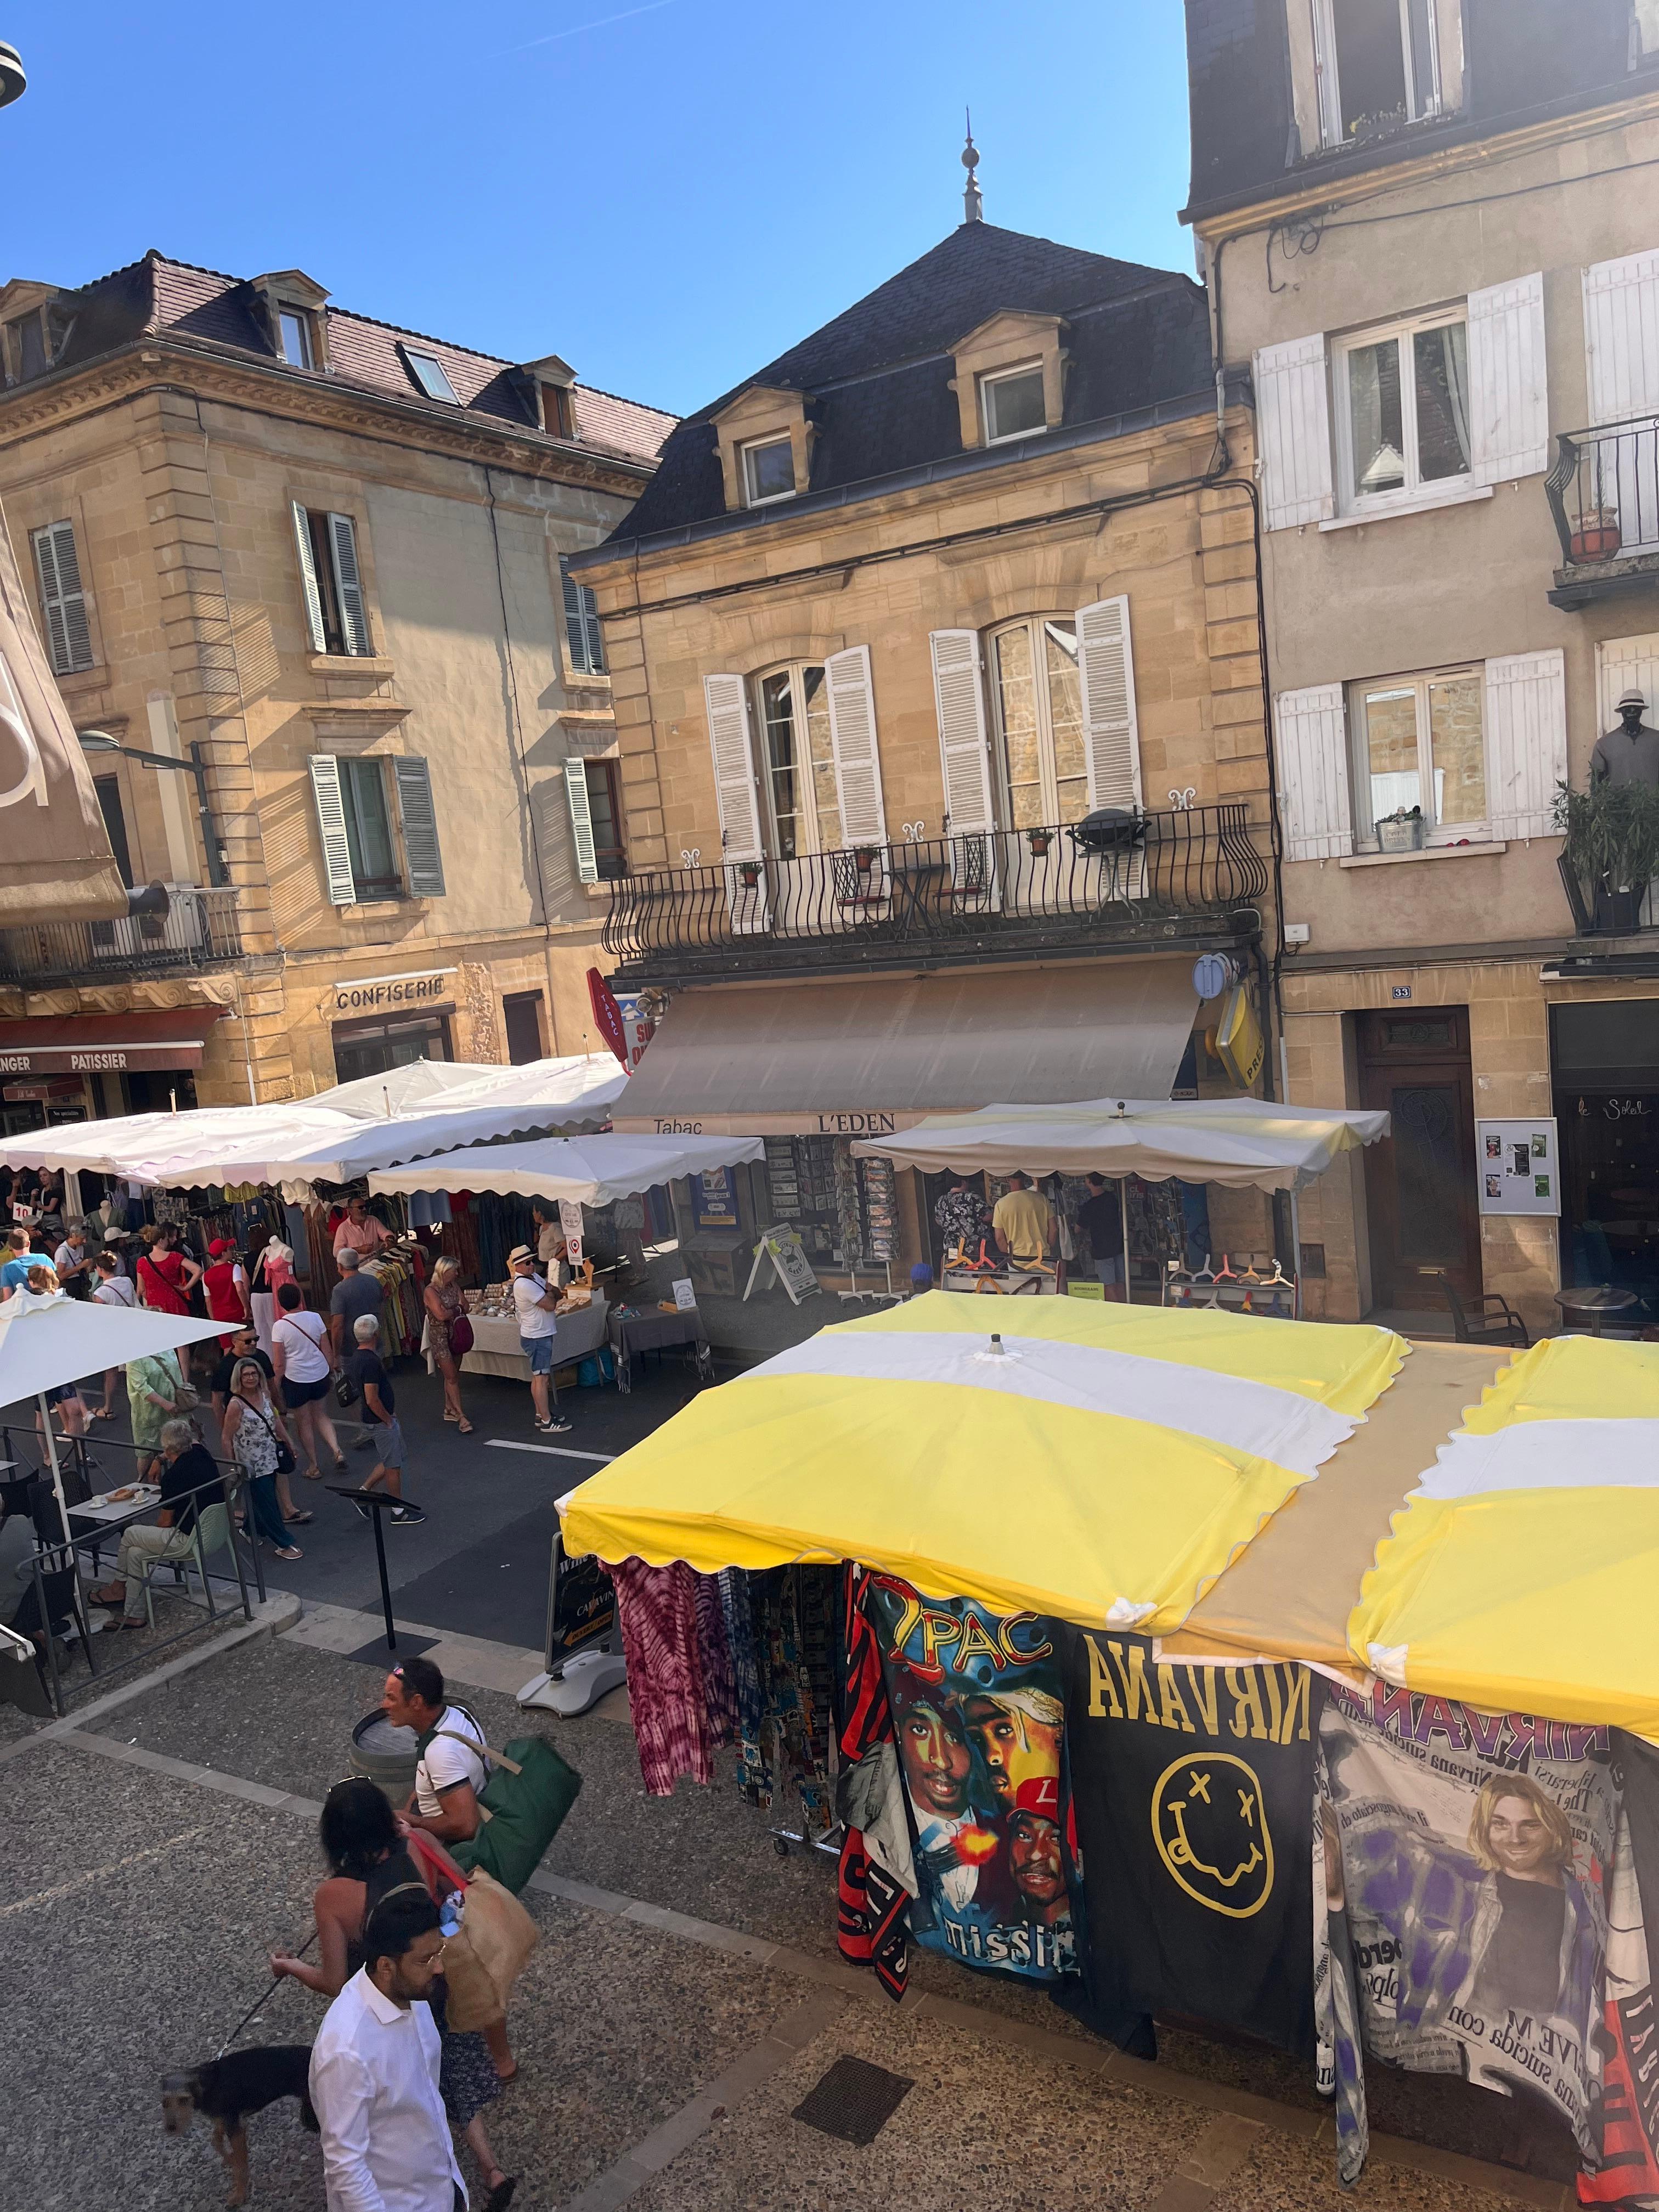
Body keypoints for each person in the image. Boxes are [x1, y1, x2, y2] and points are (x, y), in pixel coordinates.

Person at [272, 1779, 517, 2208]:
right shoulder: (418, 1842)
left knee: (403, 2089)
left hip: (393, 1994)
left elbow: (333, 1981)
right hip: (437, 1986)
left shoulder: (333, 1897)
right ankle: (490, 2168)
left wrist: (290, 1966)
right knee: (447, 2074)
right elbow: (457, 1891)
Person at [308, 1889, 469, 2212]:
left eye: (439, 1952)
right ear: (386, 1966)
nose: (439, 1968)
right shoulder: (347, 2052)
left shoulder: (413, 1994)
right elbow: (345, 2166)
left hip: (442, 2189)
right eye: (426, 1959)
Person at [89, 1417, 225, 1630]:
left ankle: (117, 1587)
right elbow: (190, 1442)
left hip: (187, 1540)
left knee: (131, 1534)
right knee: (135, 1553)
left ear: (168, 1448)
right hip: (214, 1531)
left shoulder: (173, 1477)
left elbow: (165, 1523)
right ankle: (135, 1616)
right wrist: (160, 1460)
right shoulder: (202, 1454)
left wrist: (160, 1461)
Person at [211, 1324, 308, 1527]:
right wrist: (225, 1429)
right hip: (241, 1428)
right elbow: (217, 1401)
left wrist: (281, 1411)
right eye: (248, 1341)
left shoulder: (261, 1357)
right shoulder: (225, 1366)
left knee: (277, 1463)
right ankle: (238, 1510)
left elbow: (271, 1386)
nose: (253, 1344)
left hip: (265, 1420)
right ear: (234, 1342)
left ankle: (288, 1509)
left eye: (255, 1338)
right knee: (239, 1473)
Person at [221, 1355, 302, 1561]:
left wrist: (289, 1441)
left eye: (253, 1373)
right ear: (238, 1378)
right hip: (251, 1464)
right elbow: (226, 1436)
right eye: (246, 1375)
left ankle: (250, 1529)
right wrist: (233, 1465)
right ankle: (283, 1542)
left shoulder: (264, 1394)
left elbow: (275, 1420)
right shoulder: (236, 1404)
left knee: (261, 1500)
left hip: (270, 1456)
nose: (250, 1378)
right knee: (268, 1502)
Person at [349, 1313, 424, 1526]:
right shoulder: (371, 1361)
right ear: (376, 1333)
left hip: (377, 1419)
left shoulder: (358, 1357)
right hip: (380, 1421)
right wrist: (387, 1419)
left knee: (394, 1457)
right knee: (393, 1465)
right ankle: (398, 1510)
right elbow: (372, 1398)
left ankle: (363, 1493)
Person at [272, 1279, 346, 1482]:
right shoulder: (315, 1318)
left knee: (303, 1422)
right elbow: (326, 1347)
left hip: (296, 1379)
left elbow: (279, 1363)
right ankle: (337, 1450)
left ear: (280, 1303)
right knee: (321, 1415)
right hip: (319, 1374)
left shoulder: (279, 1327)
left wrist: (274, 1386)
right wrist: (331, 1367)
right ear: (300, 1299)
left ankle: (314, 1466)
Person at [507, 1244, 569, 1435]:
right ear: (517, 1266)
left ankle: (540, 1414)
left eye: (532, 1261)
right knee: (541, 1379)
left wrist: (551, 1292)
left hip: (539, 1333)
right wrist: (550, 1291)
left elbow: (557, 1292)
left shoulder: (532, 1278)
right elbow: (551, 1303)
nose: (532, 1265)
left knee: (539, 1377)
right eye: (527, 1263)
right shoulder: (524, 1284)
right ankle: (547, 1420)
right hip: (537, 1336)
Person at [422, 1256, 472, 1434]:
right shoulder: (431, 1291)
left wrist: (454, 1310)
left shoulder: (453, 1286)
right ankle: (461, 1416)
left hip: (455, 1335)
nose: (458, 1274)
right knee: (451, 1376)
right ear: (445, 1272)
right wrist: (457, 1309)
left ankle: (449, 1408)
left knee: (453, 1375)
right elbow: (441, 1315)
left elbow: (465, 1306)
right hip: (440, 1338)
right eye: (454, 1271)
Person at [126, 1342, 188, 1485]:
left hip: (174, 1411)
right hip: (149, 1415)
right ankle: (143, 1485)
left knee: (179, 1446)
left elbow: (176, 1372)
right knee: (146, 1454)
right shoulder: (134, 1358)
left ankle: (180, 1483)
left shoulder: (166, 1346)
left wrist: (184, 1389)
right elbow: (142, 1388)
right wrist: (165, 1404)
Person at [89, 1247, 136, 1420]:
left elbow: (99, 1319)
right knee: (135, 1368)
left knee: (111, 1372)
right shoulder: (127, 1281)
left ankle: (108, 1407)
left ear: (100, 1270)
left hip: (113, 1334)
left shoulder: (100, 1293)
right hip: (131, 1329)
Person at [136, 1221, 201, 1318]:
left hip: (155, 1306)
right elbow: (198, 1270)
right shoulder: (174, 1256)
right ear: (161, 1241)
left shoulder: (142, 1262)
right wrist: (186, 1288)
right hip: (175, 1302)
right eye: (167, 1239)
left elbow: (141, 1289)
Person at [1075, 1171, 1125, 1300]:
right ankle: (1125, 1307)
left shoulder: (1090, 1206)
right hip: (1118, 1245)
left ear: (1089, 1181)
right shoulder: (1112, 1199)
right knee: (1120, 1282)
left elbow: (1078, 1228)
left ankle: (1114, 1311)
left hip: (1102, 1248)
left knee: (1108, 1284)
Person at [330, 1245, 383, 1359]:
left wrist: (336, 1355)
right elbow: (381, 1306)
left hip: (351, 1349)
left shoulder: (339, 1290)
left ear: (340, 1267)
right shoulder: (374, 1281)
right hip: (374, 1342)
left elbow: (337, 1326)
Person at [992, 1171, 1053, 1268]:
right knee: (1045, 1283)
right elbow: (1054, 1229)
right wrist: (1047, 1248)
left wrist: (1010, 1254)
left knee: (1018, 1284)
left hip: (1017, 1262)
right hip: (1043, 1259)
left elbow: (1000, 1239)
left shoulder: (1001, 1204)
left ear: (1007, 1179)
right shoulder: (1041, 1199)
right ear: (1025, 1177)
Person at [249, 1234, 295, 1357]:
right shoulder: (269, 1251)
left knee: (286, 1318)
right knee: (273, 1322)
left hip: (286, 1285)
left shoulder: (286, 1250)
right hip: (274, 1288)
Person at [201, 1237, 251, 1347]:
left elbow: (208, 1299)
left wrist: (213, 1319)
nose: (231, 1251)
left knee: (227, 1347)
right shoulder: (234, 1268)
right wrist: (246, 1307)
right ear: (223, 1253)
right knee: (242, 1344)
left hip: (219, 1315)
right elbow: (239, 1288)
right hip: (236, 1312)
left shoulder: (206, 1275)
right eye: (229, 1249)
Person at [933, 1173, 991, 1265]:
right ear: (963, 1182)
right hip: (972, 1246)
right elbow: (988, 1217)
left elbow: (938, 1221)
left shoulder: (941, 1201)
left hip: (951, 1245)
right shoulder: (971, 1198)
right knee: (975, 1270)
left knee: (955, 1268)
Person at [334, 1193, 392, 1266]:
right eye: (360, 1207)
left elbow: (385, 1233)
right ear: (350, 1210)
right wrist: (359, 1250)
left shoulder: (373, 1220)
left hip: (376, 1266)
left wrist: (389, 1239)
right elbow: (337, 1252)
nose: (364, 1209)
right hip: (357, 1271)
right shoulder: (343, 1228)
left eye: (365, 1206)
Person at [51, 1218, 94, 1300]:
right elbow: (61, 1276)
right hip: (69, 1285)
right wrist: (81, 1266)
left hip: (80, 1282)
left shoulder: (80, 1247)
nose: (84, 1241)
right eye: (82, 1238)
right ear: (74, 1236)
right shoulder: (62, 1251)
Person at [531, 1201, 567, 1282]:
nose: (533, 1214)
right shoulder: (542, 1228)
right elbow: (536, 1241)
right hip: (544, 1268)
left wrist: (553, 1261)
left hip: (557, 1269)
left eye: (534, 1212)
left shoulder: (555, 1227)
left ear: (539, 1213)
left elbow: (566, 1248)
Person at [0, 1226, 34, 1300]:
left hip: (22, 1307)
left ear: (10, 1247)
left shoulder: (7, 1268)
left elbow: (7, 1298)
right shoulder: (45, 1258)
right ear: (28, 1244)